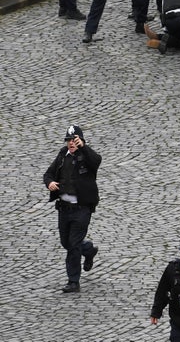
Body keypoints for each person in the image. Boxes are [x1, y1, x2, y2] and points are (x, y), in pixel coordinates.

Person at [43, 125, 101, 293]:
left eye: (74, 140)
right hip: (64, 209)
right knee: (66, 242)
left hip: (82, 209)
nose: (71, 143)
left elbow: (97, 161)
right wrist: (50, 183)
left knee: (74, 244)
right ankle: (88, 250)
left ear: (80, 140)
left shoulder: (87, 157)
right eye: (68, 140)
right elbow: (48, 174)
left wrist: (84, 147)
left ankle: (73, 281)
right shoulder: (63, 155)